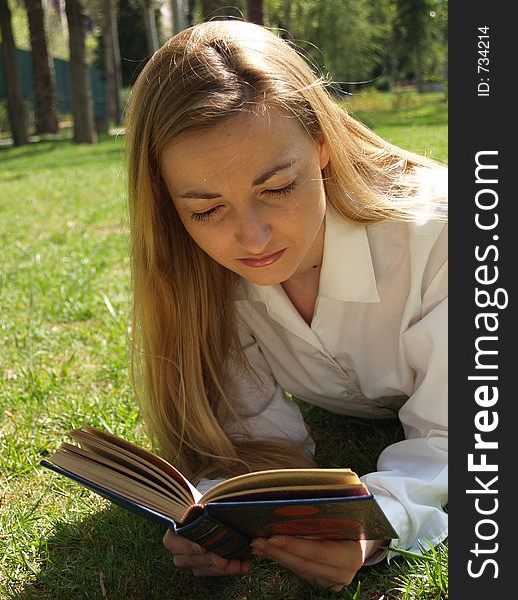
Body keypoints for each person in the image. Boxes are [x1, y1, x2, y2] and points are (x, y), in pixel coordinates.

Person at [124, 19, 447, 592]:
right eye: (206, 210)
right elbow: (250, 441)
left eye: (275, 188)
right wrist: (220, 514)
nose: (252, 239)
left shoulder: (442, 239)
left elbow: (464, 433)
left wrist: (379, 523)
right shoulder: (200, 275)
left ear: (322, 144)